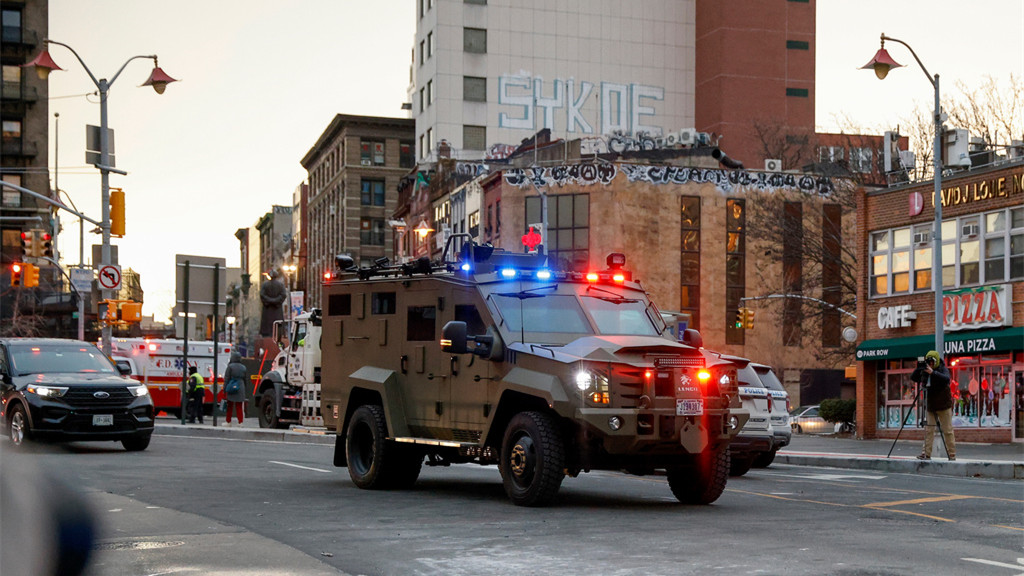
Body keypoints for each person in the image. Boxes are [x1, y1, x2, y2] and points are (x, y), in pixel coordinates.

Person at [916, 350, 956, 461]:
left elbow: (946, 379)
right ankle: (926, 453)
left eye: (932, 361)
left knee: (947, 430)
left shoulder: (942, 369)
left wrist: (932, 372)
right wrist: (919, 368)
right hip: (931, 405)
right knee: (929, 430)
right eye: (928, 362)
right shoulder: (926, 370)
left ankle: (952, 454)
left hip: (944, 404)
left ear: (936, 361)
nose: (931, 364)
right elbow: (914, 378)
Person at [223, 352, 248, 427]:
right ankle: (240, 422)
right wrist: (245, 388)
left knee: (230, 405)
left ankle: (228, 421)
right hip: (241, 386)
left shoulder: (230, 367)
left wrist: (225, 388)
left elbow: (227, 378)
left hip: (232, 384)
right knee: (239, 405)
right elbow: (245, 379)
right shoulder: (243, 367)